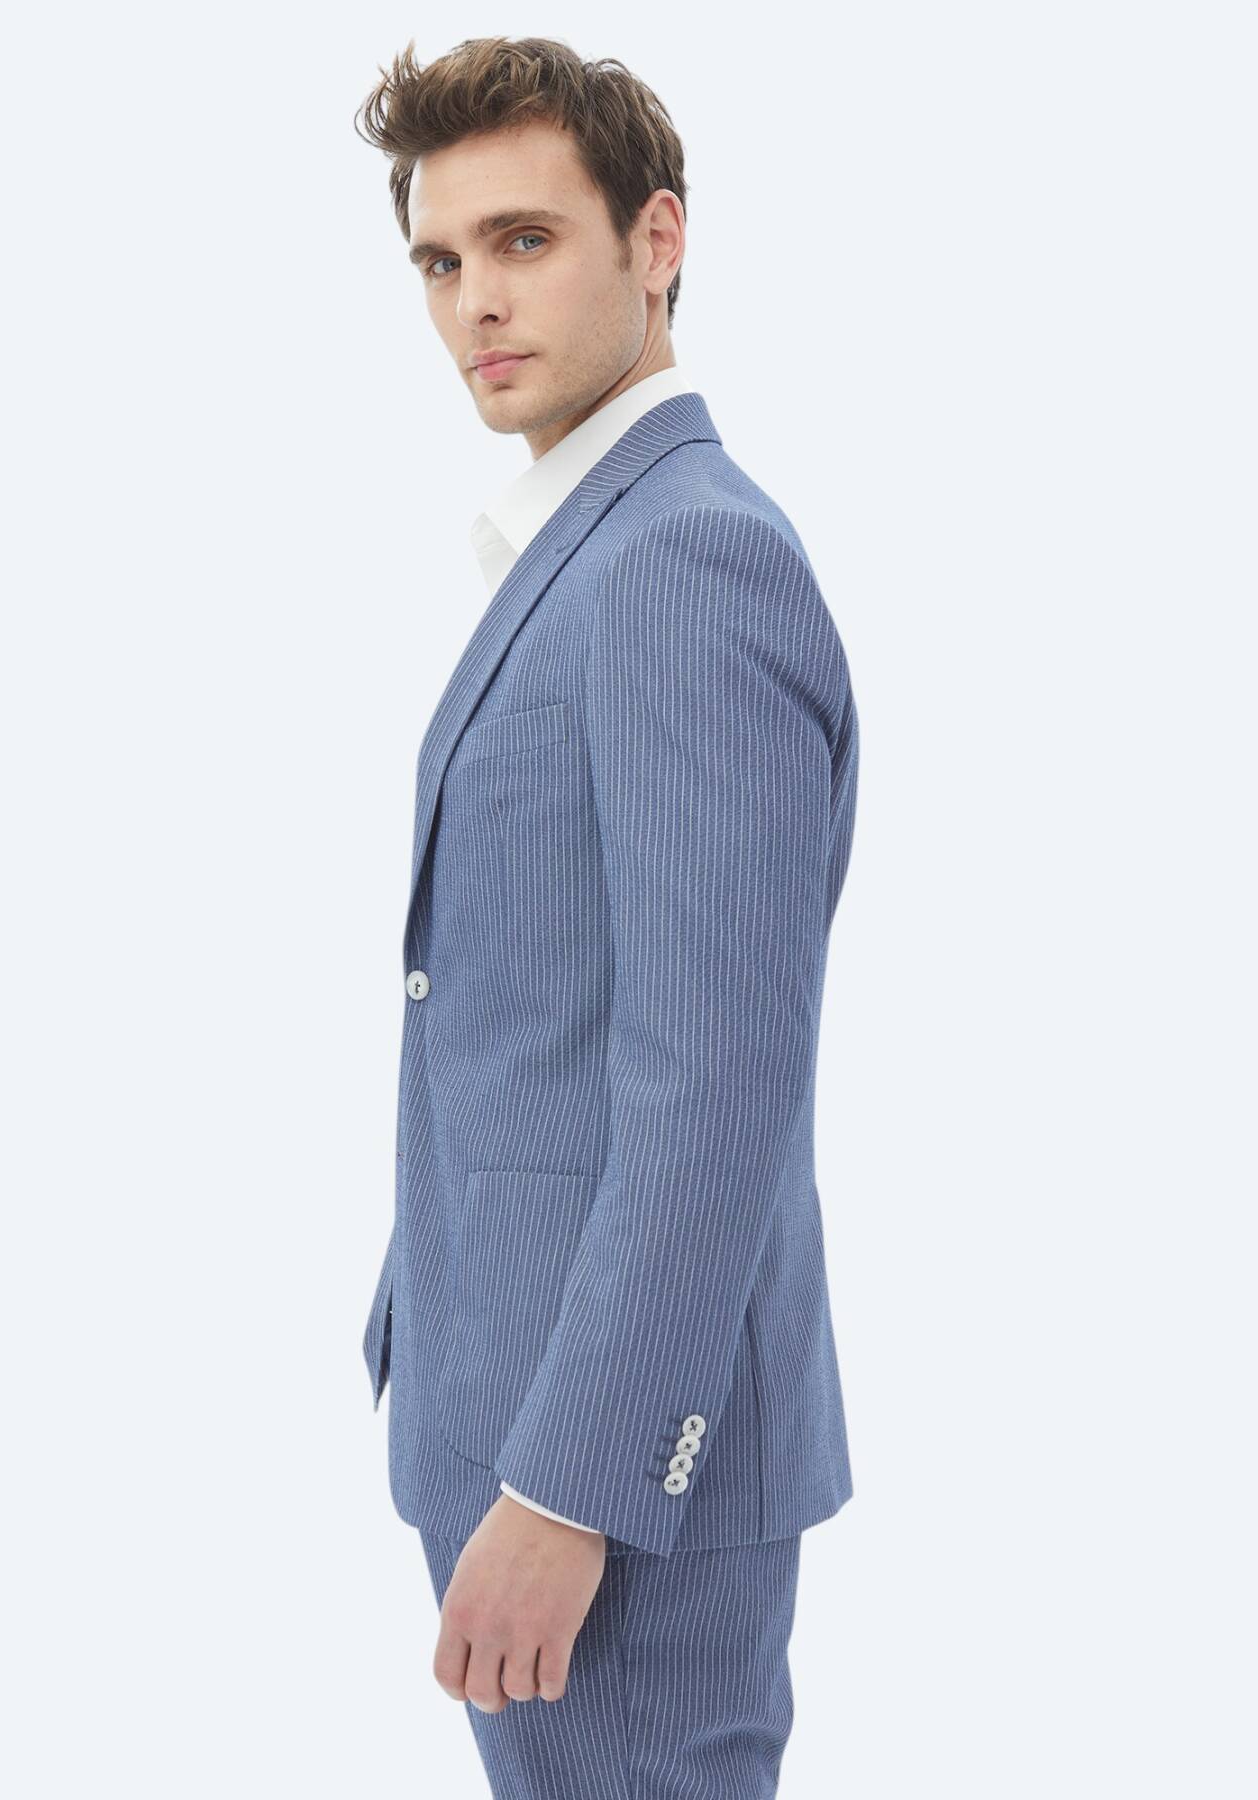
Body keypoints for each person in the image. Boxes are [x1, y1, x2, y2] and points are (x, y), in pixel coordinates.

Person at [355, 35, 860, 1797]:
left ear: (656, 241)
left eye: (524, 240)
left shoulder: (683, 561)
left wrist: (571, 1483)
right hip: (511, 1412)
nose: (474, 303)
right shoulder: (588, 550)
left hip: (611, 1476)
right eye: (439, 259)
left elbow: (716, 1081)